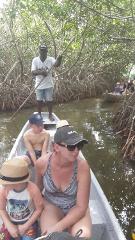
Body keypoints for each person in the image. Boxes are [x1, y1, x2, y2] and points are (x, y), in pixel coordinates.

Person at [35, 121, 92, 238]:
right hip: (52, 207)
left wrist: (58, 226)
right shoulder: (42, 164)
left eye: (79, 146)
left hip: (75, 207)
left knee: (83, 236)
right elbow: (37, 192)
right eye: (71, 147)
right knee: (51, 237)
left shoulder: (82, 166)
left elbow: (81, 207)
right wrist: (44, 206)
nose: (76, 151)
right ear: (56, 147)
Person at [0, 157, 43, 239]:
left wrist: (25, 226)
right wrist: (9, 225)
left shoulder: (33, 189)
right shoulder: (4, 190)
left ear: (16, 183)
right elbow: (1, 209)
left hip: (29, 222)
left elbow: (39, 209)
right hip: (10, 221)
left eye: (6, 183)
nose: (4, 185)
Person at [31, 45, 62, 121]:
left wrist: (59, 59)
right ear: (39, 51)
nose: (43, 52)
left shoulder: (50, 59)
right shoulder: (35, 60)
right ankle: (39, 115)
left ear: (47, 51)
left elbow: (56, 64)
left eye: (44, 50)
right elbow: (33, 72)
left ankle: (50, 115)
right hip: (39, 85)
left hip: (49, 84)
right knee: (39, 101)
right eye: (41, 50)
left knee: (49, 101)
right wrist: (42, 72)